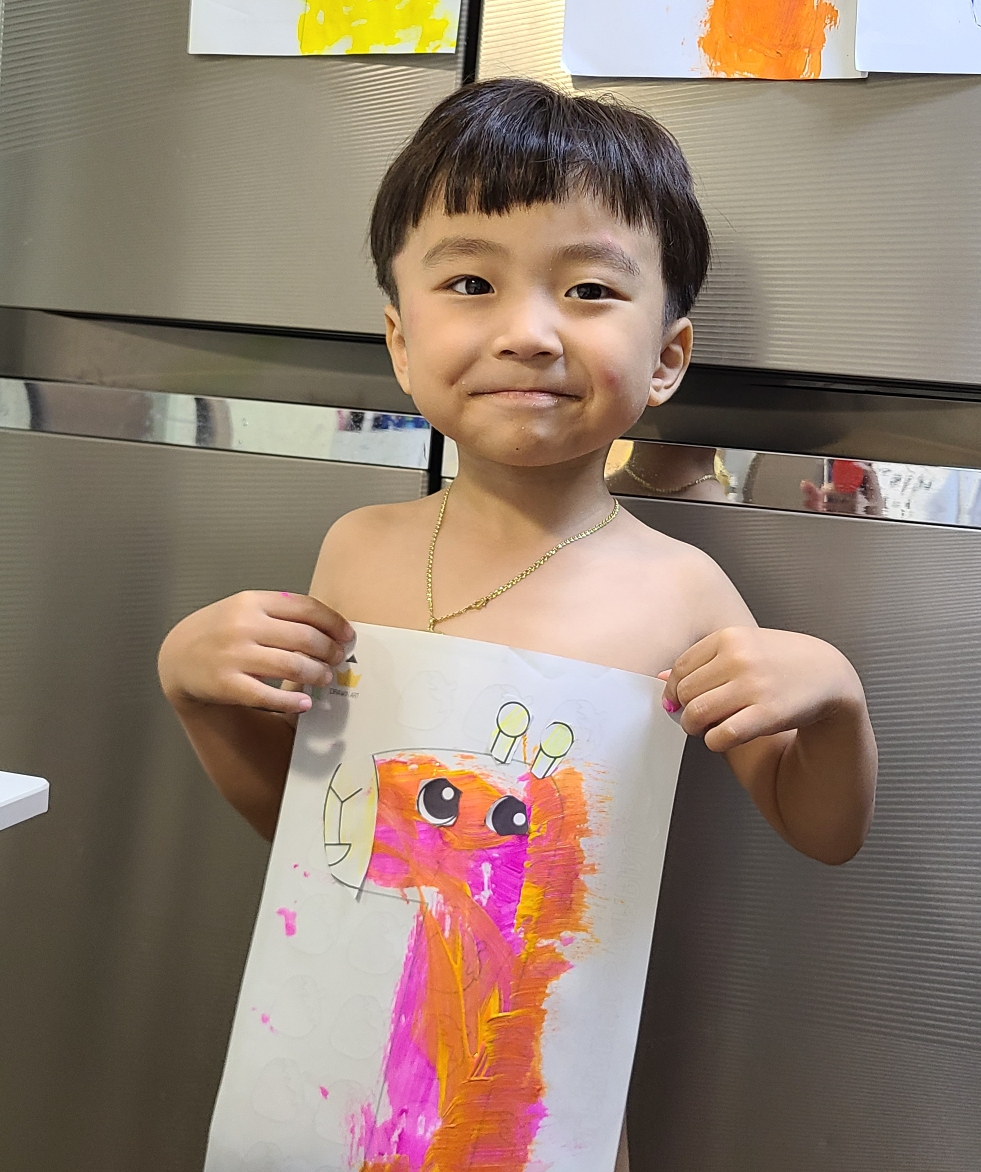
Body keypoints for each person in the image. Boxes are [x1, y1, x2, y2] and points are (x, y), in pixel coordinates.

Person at [159, 78, 877, 1167]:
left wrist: (831, 702)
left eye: (587, 289)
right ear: (401, 341)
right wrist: (198, 695)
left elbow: (821, 831)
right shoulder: (357, 551)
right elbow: (321, 838)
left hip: (539, 1103)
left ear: (666, 357)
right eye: (470, 282)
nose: (528, 331)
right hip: (346, 1092)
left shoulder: (677, 591)